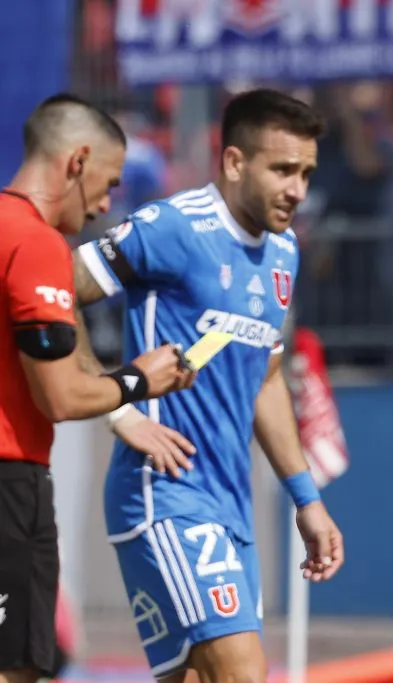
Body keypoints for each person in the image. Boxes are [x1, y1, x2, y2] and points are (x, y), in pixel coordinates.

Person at [70, 88, 345, 682]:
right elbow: (54, 293)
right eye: (282, 169)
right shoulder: (174, 226)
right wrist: (120, 406)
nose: (297, 189)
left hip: (232, 504)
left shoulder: (283, 251)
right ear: (235, 162)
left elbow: (266, 378)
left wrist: (307, 499)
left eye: (306, 172)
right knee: (243, 671)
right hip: (165, 493)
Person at [0, 94, 195, 683]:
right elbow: (59, 397)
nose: (106, 204)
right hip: (9, 479)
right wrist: (139, 380)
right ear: (77, 161)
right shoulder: (34, 243)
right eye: (108, 183)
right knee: (17, 667)